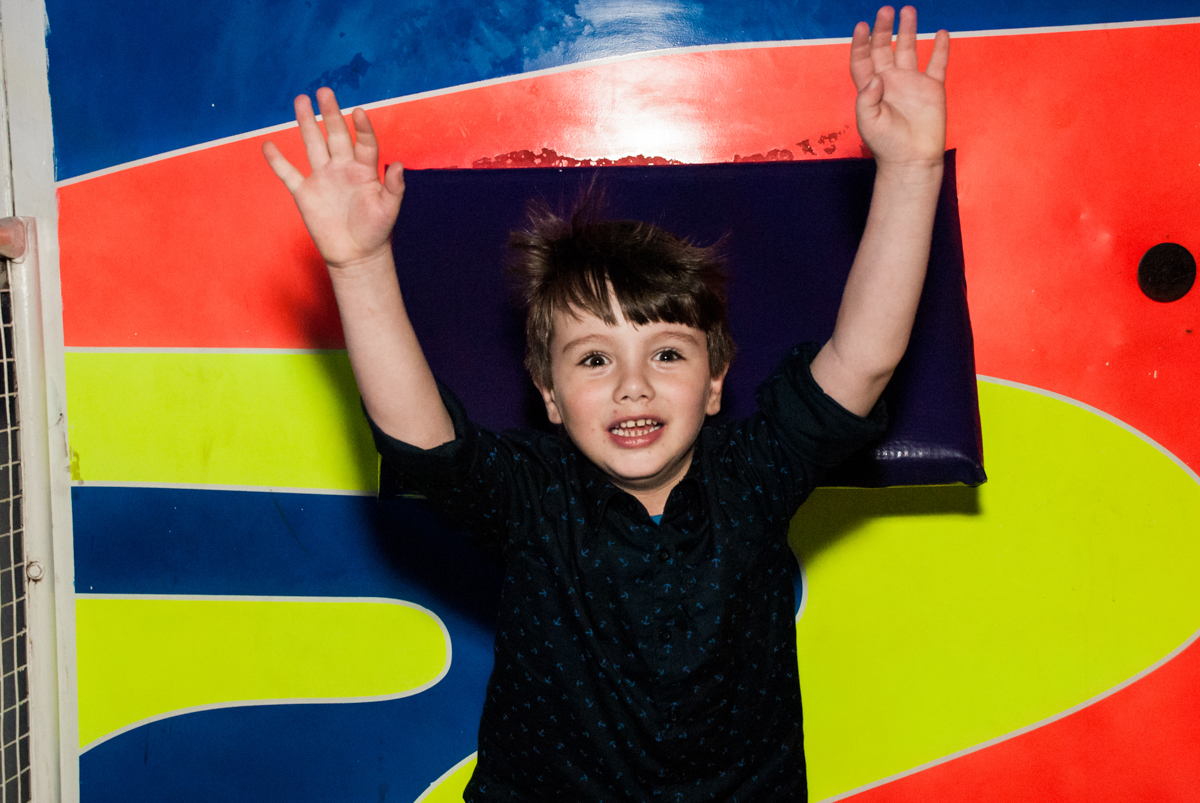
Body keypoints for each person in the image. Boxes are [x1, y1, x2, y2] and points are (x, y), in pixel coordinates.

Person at [264, 5, 949, 800]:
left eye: (667, 353)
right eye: (595, 358)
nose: (634, 384)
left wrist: (910, 171)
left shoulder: (753, 475)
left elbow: (863, 362)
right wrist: (358, 264)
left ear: (717, 380)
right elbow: (423, 441)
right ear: (549, 395)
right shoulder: (533, 495)